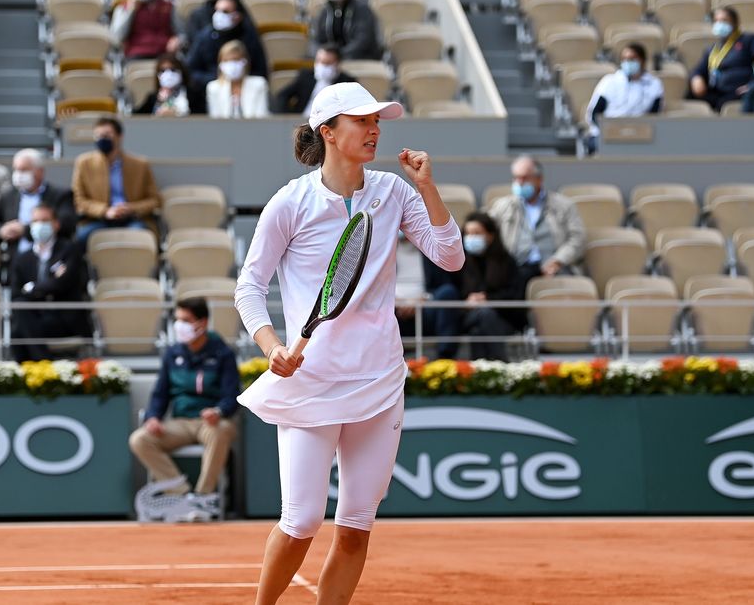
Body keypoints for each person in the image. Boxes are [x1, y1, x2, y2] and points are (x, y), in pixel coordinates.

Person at [234, 82, 463, 603]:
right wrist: (271, 346)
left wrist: (427, 187)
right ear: (329, 132)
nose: (375, 129)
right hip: (310, 381)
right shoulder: (289, 203)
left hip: (379, 381)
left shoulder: (394, 190)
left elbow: (450, 259)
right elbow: (249, 287)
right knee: (301, 520)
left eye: (377, 121)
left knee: (356, 525)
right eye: (362, 121)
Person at [129, 297, 240, 523]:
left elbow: (233, 396)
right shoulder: (173, 353)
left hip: (210, 422)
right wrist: (152, 418)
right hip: (179, 423)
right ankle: (182, 497)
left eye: (186, 320)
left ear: (202, 323)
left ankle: (203, 497)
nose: (179, 325)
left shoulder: (222, 353)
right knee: (140, 439)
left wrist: (218, 411)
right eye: (177, 320)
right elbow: (160, 393)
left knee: (221, 431)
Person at [8, 204, 90, 361]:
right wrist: (47, 287)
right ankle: (43, 363)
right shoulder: (22, 258)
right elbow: (16, 294)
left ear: (56, 224)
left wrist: (32, 288)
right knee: (20, 310)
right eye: (35, 221)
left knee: (19, 331)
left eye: (45, 220)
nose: (40, 225)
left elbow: (62, 284)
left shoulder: (70, 250)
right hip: (35, 317)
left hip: (63, 318)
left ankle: (34, 370)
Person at [487, 155, 586, 284]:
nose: (520, 182)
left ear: (539, 179)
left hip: (556, 269)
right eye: (516, 178)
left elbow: (578, 238)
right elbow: (486, 229)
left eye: (525, 178)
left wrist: (558, 260)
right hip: (515, 270)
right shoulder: (503, 206)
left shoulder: (564, 205)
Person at [71, 117, 162, 243]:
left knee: (141, 237)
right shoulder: (84, 163)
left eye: (107, 135)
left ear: (119, 136)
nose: (102, 139)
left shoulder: (140, 164)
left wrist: (131, 208)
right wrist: (105, 211)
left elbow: (154, 200)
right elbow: (79, 200)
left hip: (132, 219)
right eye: (98, 136)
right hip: (99, 219)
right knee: (79, 239)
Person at [0, 148, 76, 262]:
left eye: (24, 170)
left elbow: (66, 224)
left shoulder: (60, 195)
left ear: (40, 172)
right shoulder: (8, 196)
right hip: (15, 260)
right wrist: (1, 230)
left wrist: (24, 230)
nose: (19, 175)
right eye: (16, 169)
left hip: (51, 260)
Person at [455, 212, 525, 361]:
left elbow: (515, 294)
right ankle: (500, 364)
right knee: (484, 315)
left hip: (502, 317)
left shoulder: (506, 262)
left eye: (477, 233)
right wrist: (466, 302)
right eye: (467, 233)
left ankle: (479, 371)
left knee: (478, 331)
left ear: (491, 235)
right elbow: (452, 290)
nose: (471, 238)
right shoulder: (458, 261)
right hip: (467, 315)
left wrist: (488, 299)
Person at [583, 42, 663, 154]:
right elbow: (594, 114)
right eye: (624, 59)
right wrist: (613, 132)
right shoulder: (609, 82)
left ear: (643, 61)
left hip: (639, 135)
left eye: (632, 59)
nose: (628, 62)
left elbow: (655, 116)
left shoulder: (654, 84)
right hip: (607, 133)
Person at [394, 232, 461, 359]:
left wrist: (423, 299)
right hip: (393, 311)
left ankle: (445, 358)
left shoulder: (430, 253)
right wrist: (394, 300)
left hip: (425, 309)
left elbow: (443, 283)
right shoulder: (381, 253)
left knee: (448, 292)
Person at [185, 0, 268, 91]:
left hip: (245, 91)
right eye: (216, 10)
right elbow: (190, 70)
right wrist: (216, 81)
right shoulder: (205, 36)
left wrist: (241, 82)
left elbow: (260, 71)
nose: (218, 15)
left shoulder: (249, 37)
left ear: (238, 16)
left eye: (225, 11)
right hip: (209, 91)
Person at [689, 7, 754, 111]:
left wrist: (752, 85)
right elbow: (699, 69)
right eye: (717, 21)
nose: (720, 24)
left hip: (738, 91)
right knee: (690, 97)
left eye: (724, 20)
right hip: (716, 90)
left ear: (734, 22)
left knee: (724, 104)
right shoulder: (713, 49)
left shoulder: (748, 40)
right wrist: (696, 78)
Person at [310, 0, 382, 61]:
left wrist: (338, 55)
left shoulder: (362, 9)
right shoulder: (325, 10)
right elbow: (316, 39)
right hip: (330, 60)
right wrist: (322, 54)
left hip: (359, 59)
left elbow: (362, 41)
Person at [110, 0, 180, 60]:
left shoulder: (168, 6)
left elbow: (181, 32)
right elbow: (116, 37)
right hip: (136, 53)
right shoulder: (123, 7)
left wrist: (177, 40)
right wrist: (131, 10)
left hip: (164, 53)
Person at [273, 44, 356, 115]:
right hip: (303, 121)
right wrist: (289, 117)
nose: (322, 66)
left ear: (337, 64)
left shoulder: (347, 82)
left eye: (327, 63)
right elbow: (282, 96)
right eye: (319, 61)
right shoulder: (306, 76)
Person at [206, 40, 271, 119]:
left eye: (235, 59)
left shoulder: (259, 84)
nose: (231, 64)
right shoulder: (213, 88)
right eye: (226, 60)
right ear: (220, 64)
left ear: (244, 61)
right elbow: (215, 120)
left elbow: (262, 117)